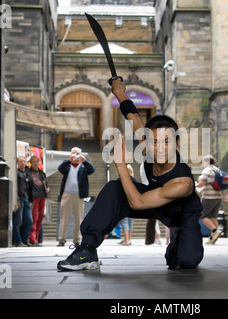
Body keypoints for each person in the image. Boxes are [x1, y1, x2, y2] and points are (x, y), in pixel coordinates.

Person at [57, 78, 204, 271]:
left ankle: (179, 240)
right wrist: (119, 91)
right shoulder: (148, 145)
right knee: (114, 189)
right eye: (154, 142)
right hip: (151, 201)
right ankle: (87, 249)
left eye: (166, 142)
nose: (159, 148)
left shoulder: (181, 182)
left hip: (180, 214)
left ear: (175, 142)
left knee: (187, 261)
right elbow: (132, 115)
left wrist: (120, 164)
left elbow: (138, 203)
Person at [57, 147, 95, 247]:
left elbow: (92, 170)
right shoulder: (67, 165)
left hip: (79, 195)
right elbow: (60, 169)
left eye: (78, 153)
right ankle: (62, 239)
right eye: (74, 153)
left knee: (79, 218)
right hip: (67, 194)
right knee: (64, 218)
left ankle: (77, 240)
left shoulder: (83, 166)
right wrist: (68, 160)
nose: (76, 155)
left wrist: (85, 161)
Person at [196, 155, 223, 244]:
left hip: (208, 197)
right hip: (218, 197)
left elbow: (202, 183)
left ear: (207, 162)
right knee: (213, 217)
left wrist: (195, 185)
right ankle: (212, 239)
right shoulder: (217, 170)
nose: (203, 164)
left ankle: (215, 231)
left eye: (204, 162)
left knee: (202, 216)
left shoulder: (207, 170)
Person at [28, 155, 50, 246]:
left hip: (42, 197)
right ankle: (32, 238)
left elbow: (46, 183)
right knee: (34, 217)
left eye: (37, 161)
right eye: (33, 161)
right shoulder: (28, 172)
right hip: (34, 197)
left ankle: (36, 237)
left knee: (40, 217)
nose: (36, 163)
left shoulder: (42, 173)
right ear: (31, 163)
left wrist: (48, 188)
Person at [13, 156, 33, 247]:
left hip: (26, 199)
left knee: (29, 221)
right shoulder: (16, 173)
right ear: (17, 163)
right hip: (19, 198)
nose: (22, 163)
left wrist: (31, 200)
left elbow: (29, 188)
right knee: (18, 221)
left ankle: (25, 240)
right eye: (20, 161)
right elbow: (15, 187)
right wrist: (16, 199)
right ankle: (18, 241)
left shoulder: (26, 174)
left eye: (24, 161)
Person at [118, 165, 135, 246]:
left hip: (123, 204)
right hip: (132, 204)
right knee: (130, 222)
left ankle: (127, 241)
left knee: (124, 222)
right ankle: (128, 239)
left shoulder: (120, 180)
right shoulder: (134, 180)